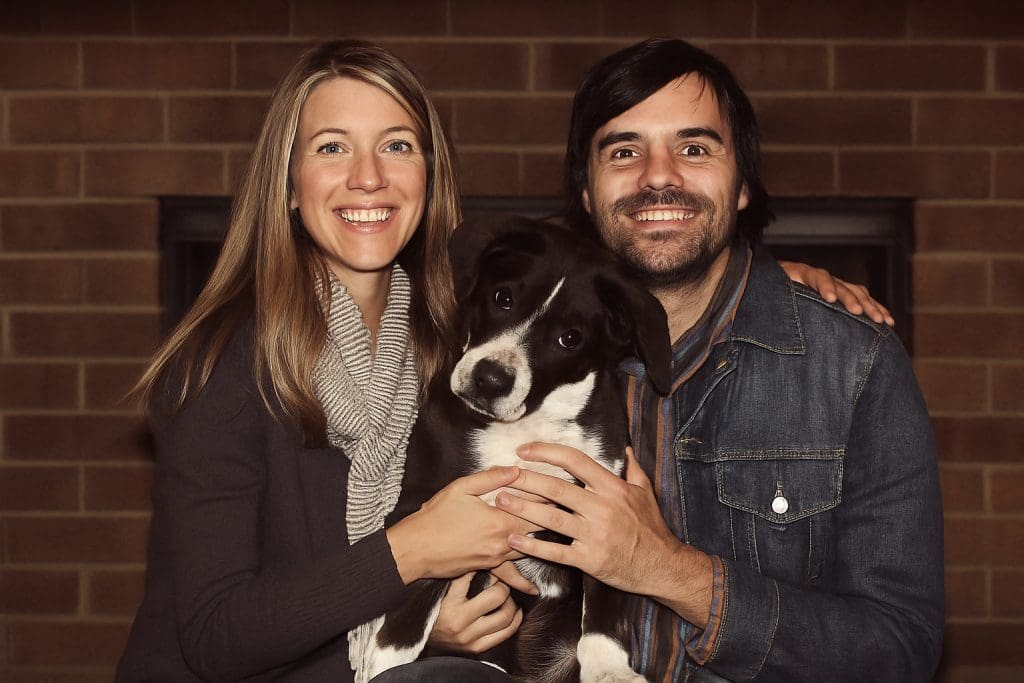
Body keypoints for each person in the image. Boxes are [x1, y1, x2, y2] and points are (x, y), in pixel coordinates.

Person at [116, 38, 896, 683]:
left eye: (398, 146)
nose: (368, 177)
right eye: (332, 148)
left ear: (430, 177)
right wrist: (419, 558)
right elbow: (215, 637)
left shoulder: (443, 327)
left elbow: (580, 283)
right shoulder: (225, 361)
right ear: (286, 184)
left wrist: (766, 279)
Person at [494, 38, 944, 682]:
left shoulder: (853, 365)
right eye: (624, 151)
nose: (658, 175)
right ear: (586, 195)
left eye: (695, 148)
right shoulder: (508, 353)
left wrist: (665, 569)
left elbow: (900, 649)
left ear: (742, 187)